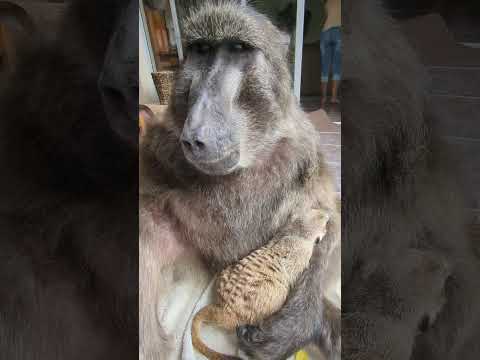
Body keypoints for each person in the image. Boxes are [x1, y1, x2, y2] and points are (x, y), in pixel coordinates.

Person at [320, 0, 341, 108]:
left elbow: (327, 18)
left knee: (325, 66)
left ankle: (323, 97)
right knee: (337, 66)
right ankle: (333, 97)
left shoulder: (327, 2)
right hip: (339, 31)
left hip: (325, 32)